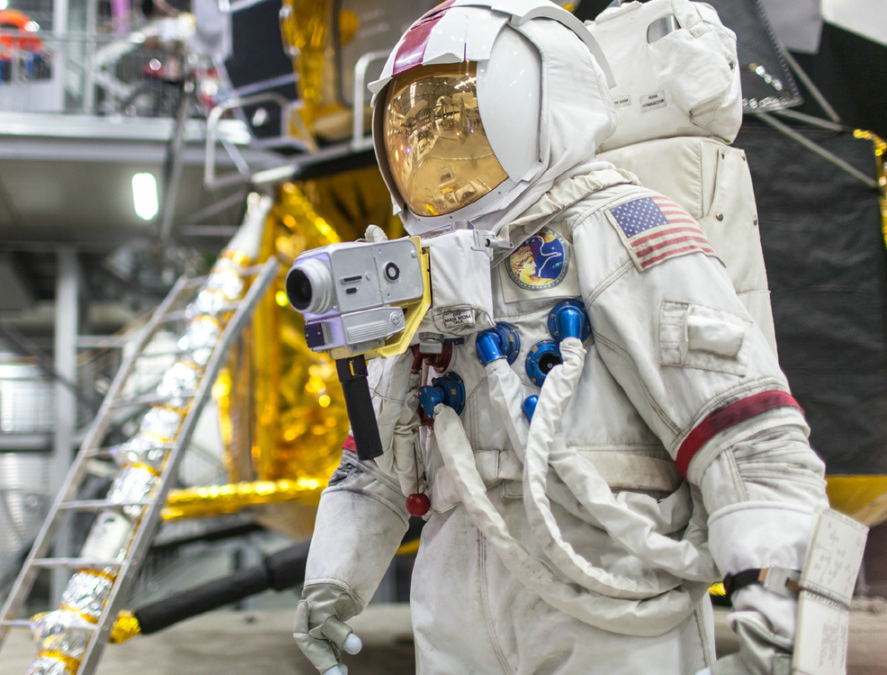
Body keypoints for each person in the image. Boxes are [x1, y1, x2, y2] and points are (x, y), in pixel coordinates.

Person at [293, 1, 855, 673]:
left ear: (538, 100)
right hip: (456, 586)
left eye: (456, 117)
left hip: (606, 578)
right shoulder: (421, 273)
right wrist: (334, 576)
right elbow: (377, 456)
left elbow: (739, 423)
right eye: (411, 125)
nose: (434, 146)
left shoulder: (621, 227)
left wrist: (781, 595)